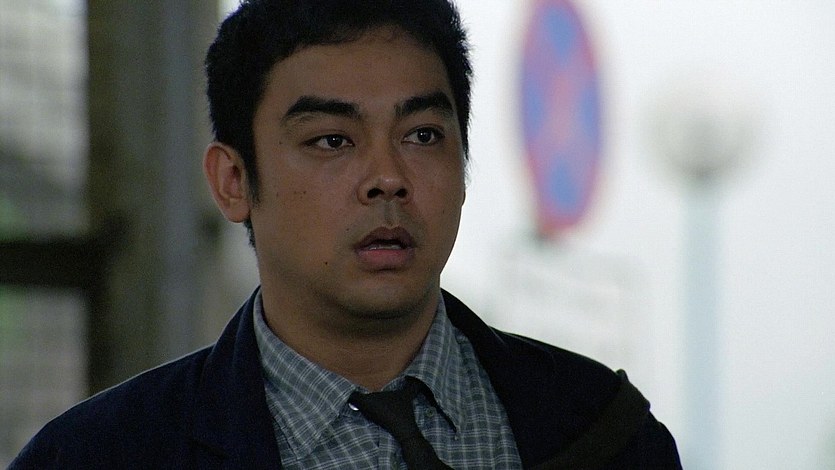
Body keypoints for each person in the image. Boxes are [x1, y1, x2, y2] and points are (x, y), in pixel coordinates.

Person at [11, 0, 681, 468]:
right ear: (233, 181)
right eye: (332, 140)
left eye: (423, 136)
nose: (387, 178)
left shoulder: (603, 433)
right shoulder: (102, 455)